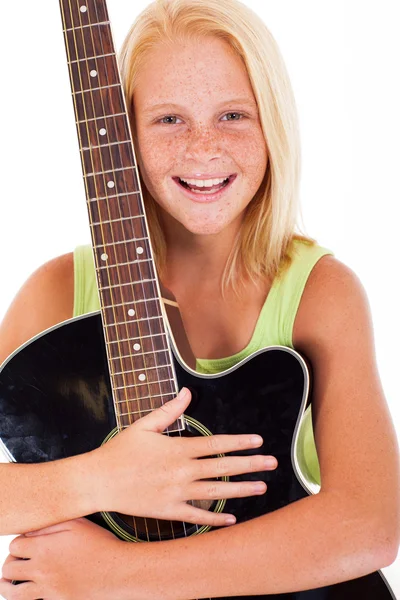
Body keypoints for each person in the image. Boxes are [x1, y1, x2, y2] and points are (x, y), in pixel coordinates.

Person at [0, 0, 399, 598]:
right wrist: (100, 480)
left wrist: (116, 575)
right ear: (121, 133)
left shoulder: (320, 293)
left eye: (233, 114)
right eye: (168, 120)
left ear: (274, 124)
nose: (203, 148)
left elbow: (369, 524)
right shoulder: (59, 292)